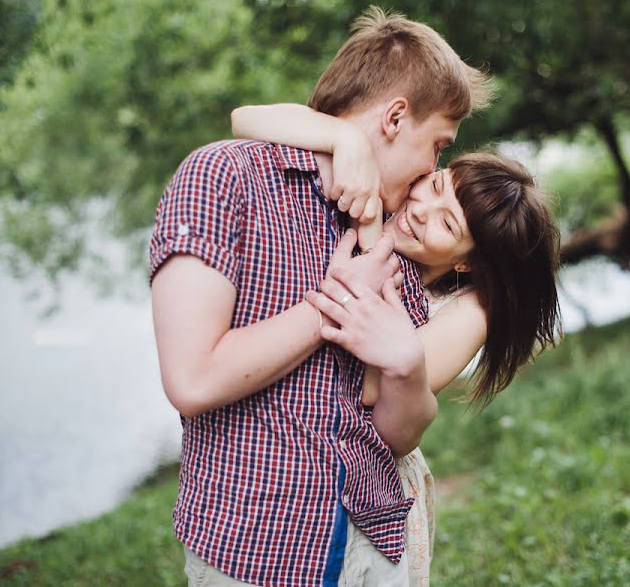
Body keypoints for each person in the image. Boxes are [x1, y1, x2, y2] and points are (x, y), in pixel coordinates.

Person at [149, 6, 492, 587]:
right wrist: (332, 302)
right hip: (259, 550)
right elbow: (193, 381)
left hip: (375, 541)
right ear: (395, 118)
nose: (434, 167)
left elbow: (386, 419)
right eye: (438, 145)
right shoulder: (224, 179)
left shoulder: (387, 234)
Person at [230, 104, 563, 582]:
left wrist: (368, 239)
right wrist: (348, 140)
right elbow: (245, 118)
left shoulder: (470, 314)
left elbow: (375, 385)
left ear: (468, 263)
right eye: (435, 186)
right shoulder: (381, 195)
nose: (419, 212)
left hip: (365, 499)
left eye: (447, 225)